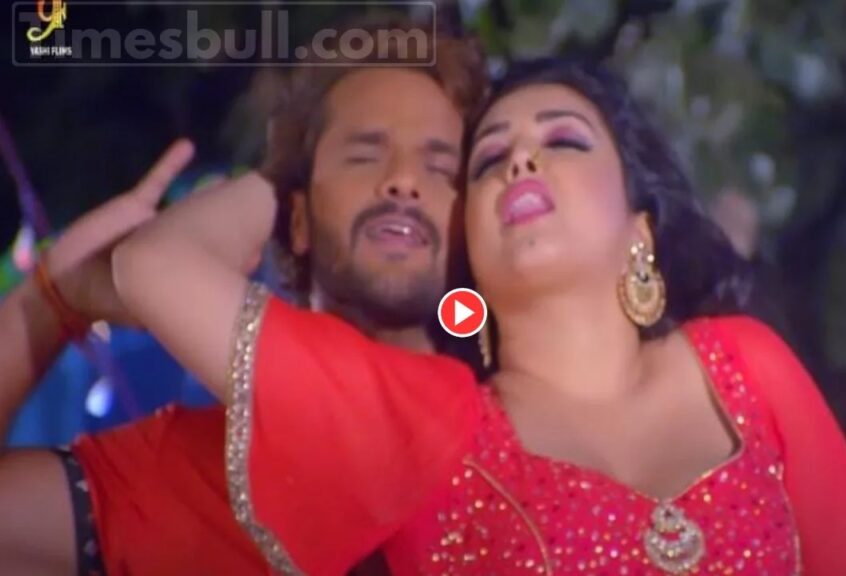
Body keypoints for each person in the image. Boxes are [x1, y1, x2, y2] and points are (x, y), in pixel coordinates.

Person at [111, 58, 846, 575]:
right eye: (489, 159)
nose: (523, 159)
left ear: (640, 226)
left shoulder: (743, 367)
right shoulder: (426, 425)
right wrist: (297, 175)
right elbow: (153, 266)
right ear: (468, 241)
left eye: (564, 141)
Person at [0, 20, 487, 575]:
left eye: (441, 167)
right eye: (363, 155)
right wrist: (47, 306)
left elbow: (157, 265)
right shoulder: (179, 467)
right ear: (296, 220)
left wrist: (87, 284)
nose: (403, 180)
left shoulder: (486, 415)